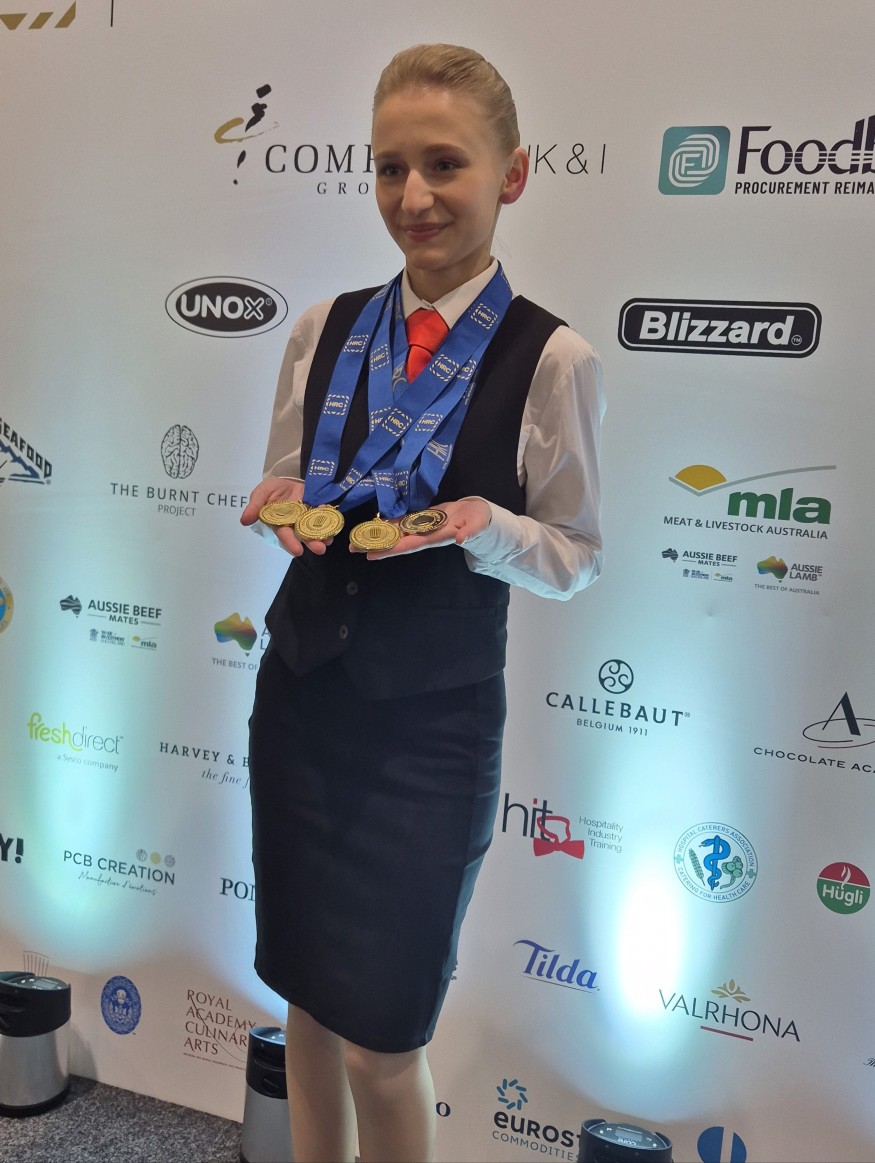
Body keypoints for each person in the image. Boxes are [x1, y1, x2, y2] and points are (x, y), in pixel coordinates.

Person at [240, 43, 605, 1163]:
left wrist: (482, 525)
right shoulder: (322, 326)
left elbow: (575, 554)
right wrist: (280, 503)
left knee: (382, 1046)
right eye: (390, 166)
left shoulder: (551, 357)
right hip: (300, 698)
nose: (413, 197)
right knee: (304, 1002)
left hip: (429, 733)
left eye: (444, 164)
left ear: (512, 173)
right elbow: (292, 473)